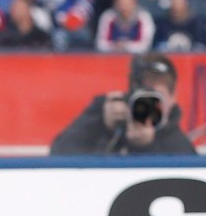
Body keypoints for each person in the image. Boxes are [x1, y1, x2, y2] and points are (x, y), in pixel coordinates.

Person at [49, 53, 197, 156]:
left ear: (172, 98)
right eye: (144, 95)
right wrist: (102, 125)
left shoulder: (177, 142)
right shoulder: (107, 112)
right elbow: (59, 153)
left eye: (157, 97)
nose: (148, 104)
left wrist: (147, 147)